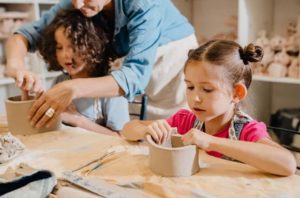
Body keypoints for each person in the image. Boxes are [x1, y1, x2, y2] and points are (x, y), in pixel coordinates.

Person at [5, 0, 198, 129]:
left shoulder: (143, 4)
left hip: (169, 60)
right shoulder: (78, 2)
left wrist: (71, 87)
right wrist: (15, 65)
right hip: (130, 63)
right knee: (137, 130)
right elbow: (25, 35)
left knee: (168, 132)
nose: (78, 4)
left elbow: (135, 76)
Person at [121, 40, 297, 176]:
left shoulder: (246, 130)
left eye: (207, 89)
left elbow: (287, 164)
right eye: (190, 87)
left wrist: (211, 142)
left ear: (236, 93)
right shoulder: (186, 121)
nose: (195, 98)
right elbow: (127, 130)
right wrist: (147, 130)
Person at [38, 9, 129, 135]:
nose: (65, 54)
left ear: (93, 45)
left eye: (73, 46)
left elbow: (122, 138)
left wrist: (78, 120)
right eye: (59, 47)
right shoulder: (60, 81)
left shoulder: (110, 87)